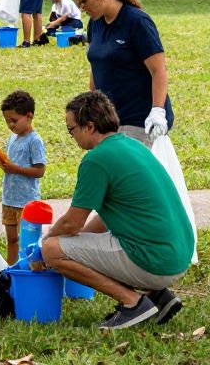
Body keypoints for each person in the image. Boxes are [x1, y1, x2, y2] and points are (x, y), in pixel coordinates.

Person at [38, 91, 193, 330]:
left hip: (155, 261)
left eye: (71, 130)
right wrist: (78, 245)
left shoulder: (96, 159)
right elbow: (103, 219)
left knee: (51, 251)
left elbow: (72, 223)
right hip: (177, 256)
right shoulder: (132, 144)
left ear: (89, 126)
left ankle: (133, 304)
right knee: (69, 245)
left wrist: (47, 241)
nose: (72, 137)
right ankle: (158, 297)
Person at [71, 0, 172, 146]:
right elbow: (96, 65)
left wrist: (157, 111)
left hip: (139, 120)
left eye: (84, 1)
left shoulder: (137, 22)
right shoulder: (95, 24)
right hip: (109, 122)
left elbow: (159, 71)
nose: (81, 8)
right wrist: (92, 105)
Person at [0, 90, 46, 265]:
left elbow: (39, 171)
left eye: (14, 120)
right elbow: (9, 167)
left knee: (28, 242)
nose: (10, 125)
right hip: (9, 198)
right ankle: (11, 270)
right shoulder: (13, 138)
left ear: (29, 116)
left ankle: (32, 270)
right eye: (7, 121)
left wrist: (15, 168)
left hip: (27, 201)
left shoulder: (34, 141)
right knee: (12, 240)